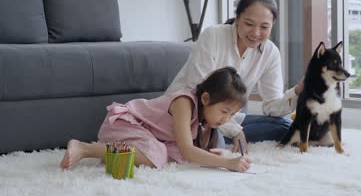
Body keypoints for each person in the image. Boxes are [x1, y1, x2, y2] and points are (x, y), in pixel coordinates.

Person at [166, 0, 304, 153]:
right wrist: (235, 130)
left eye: (264, 27)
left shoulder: (270, 53)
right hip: (190, 116)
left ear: (272, 25)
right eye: (249, 24)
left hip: (224, 118)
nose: (256, 33)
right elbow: (198, 94)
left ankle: (217, 136)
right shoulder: (213, 36)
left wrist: (297, 91)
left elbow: (272, 107)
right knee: (215, 140)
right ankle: (209, 138)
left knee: (285, 126)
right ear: (237, 19)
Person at [60, 67, 252, 172]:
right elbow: (187, 150)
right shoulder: (184, 102)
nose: (226, 119)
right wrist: (227, 163)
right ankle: (85, 148)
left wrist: (220, 157)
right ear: (205, 99)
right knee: (159, 154)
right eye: (224, 111)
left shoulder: (205, 121)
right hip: (125, 123)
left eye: (232, 115)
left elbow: (187, 152)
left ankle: (114, 154)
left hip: (145, 135)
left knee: (170, 155)